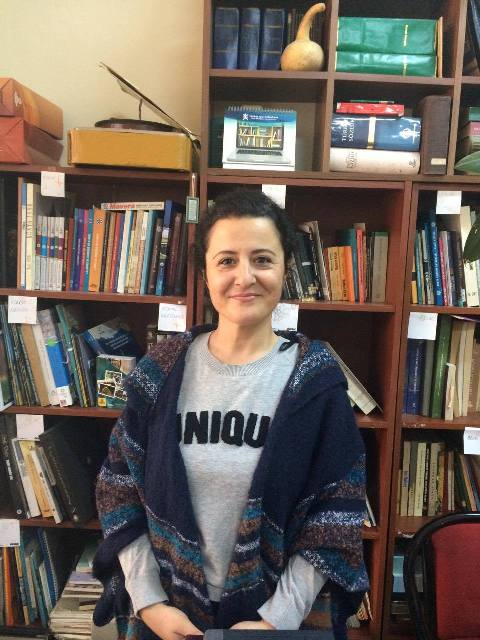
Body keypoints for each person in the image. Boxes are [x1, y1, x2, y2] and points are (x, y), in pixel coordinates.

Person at [92, 189, 369, 640]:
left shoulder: (315, 383)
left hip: (277, 619)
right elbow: (118, 487)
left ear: (285, 270)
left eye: (262, 259)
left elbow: (335, 512)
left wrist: (276, 619)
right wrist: (149, 602)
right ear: (205, 273)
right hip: (168, 615)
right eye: (226, 261)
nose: (245, 276)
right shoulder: (160, 372)